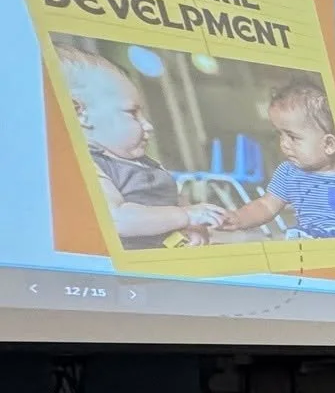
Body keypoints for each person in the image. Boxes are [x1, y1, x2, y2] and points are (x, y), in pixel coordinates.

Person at [56, 41, 223, 247]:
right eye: (132, 113)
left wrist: (194, 228)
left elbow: (177, 199)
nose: (148, 125)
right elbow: (116, 218)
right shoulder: (90, 166)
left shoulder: (146, 164)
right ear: (80, 113)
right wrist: (185, 216)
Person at [220, 79, 335, 238]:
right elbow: (265, 205)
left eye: (293, 137)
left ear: (328, 144)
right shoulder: (289, 173)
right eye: (280, 134)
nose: (284, 144)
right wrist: (239, 218)